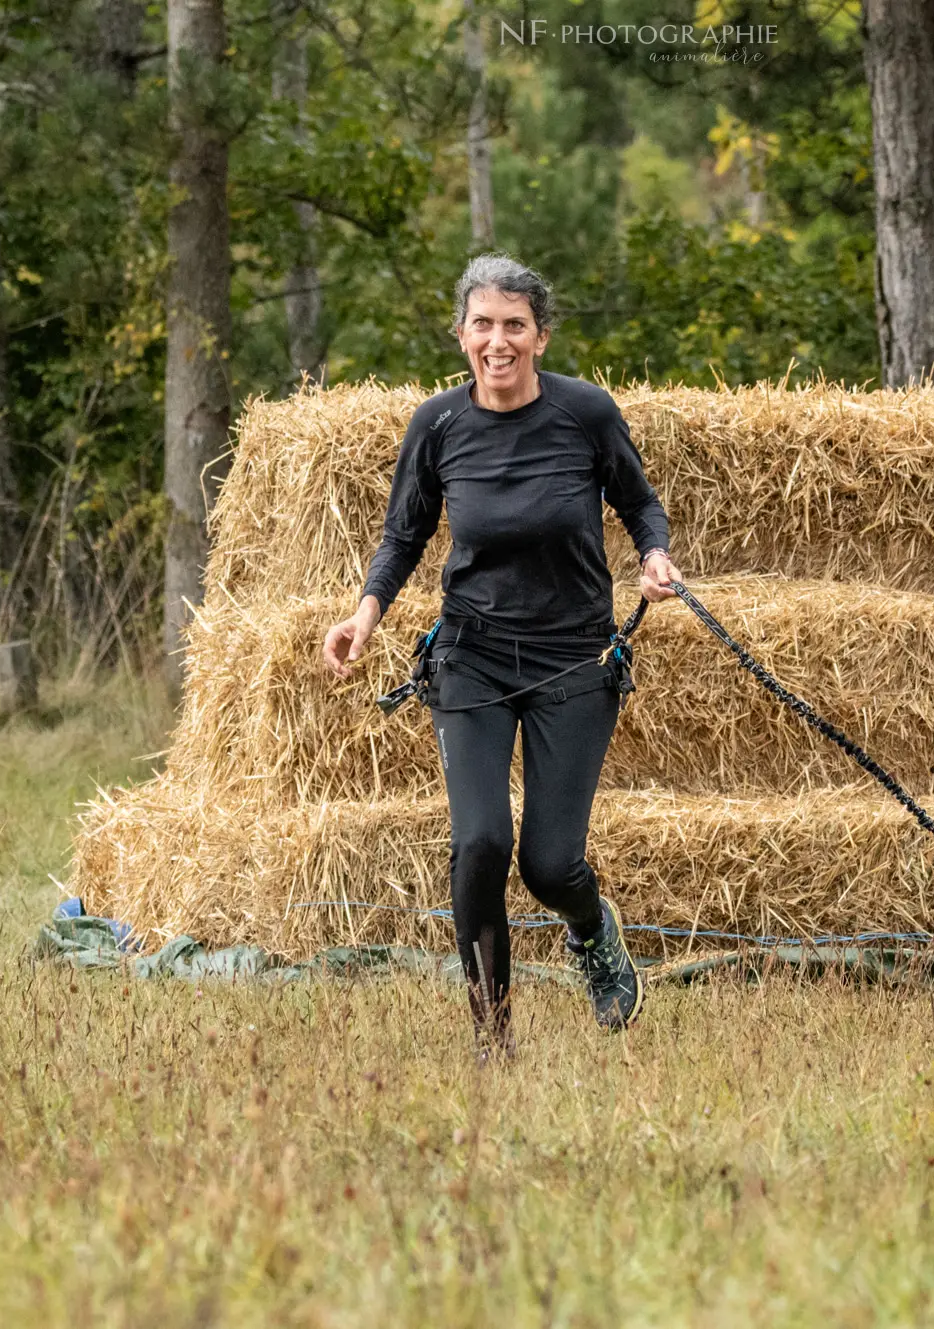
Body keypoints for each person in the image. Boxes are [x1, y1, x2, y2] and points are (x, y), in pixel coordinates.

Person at [321, 253, 684, 1055]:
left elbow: (639, 502)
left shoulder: (585, 414)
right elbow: (403, 535)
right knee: (481, 842)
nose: (499, 340)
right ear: (460, 336)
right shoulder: (439, 425)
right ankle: (494, 1034)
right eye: (483, 324)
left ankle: (593, 932)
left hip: (575, 663)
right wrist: (365, 615)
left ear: (542, 335)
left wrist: (655, 556)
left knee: (551, 865)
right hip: (472, 659)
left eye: (514, 324)